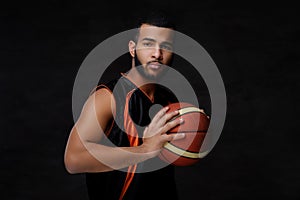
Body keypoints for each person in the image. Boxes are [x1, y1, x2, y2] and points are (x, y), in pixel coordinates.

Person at [64, 10, 189, 200]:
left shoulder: (168, 99)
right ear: (132, 48)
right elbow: (73, 160)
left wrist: (195, 132)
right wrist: (144, 150)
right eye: (148, 44)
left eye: (166, 46)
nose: (157, 54)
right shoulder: (108, 98)